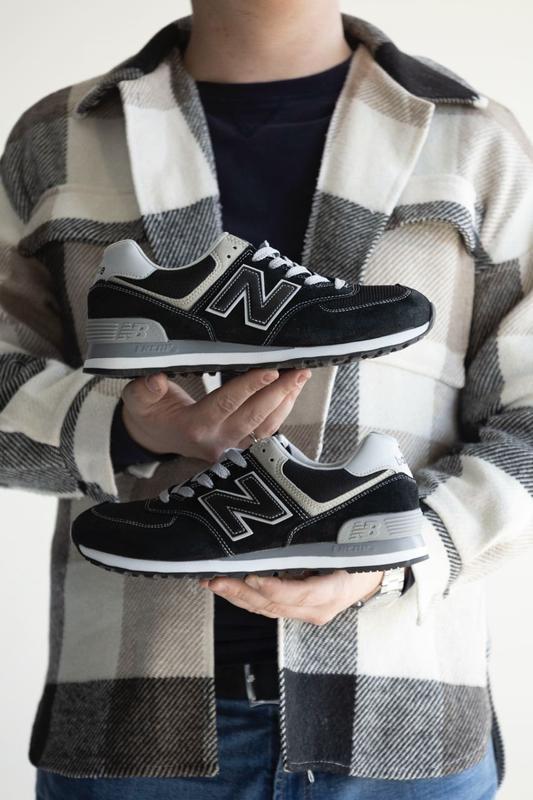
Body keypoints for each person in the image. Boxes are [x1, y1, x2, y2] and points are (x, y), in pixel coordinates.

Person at [1, 1, 531, 798]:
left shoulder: (475, 137)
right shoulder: (59, 136)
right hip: (130, 723)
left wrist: (396, 554)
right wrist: (122, 426)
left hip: (400, 718)